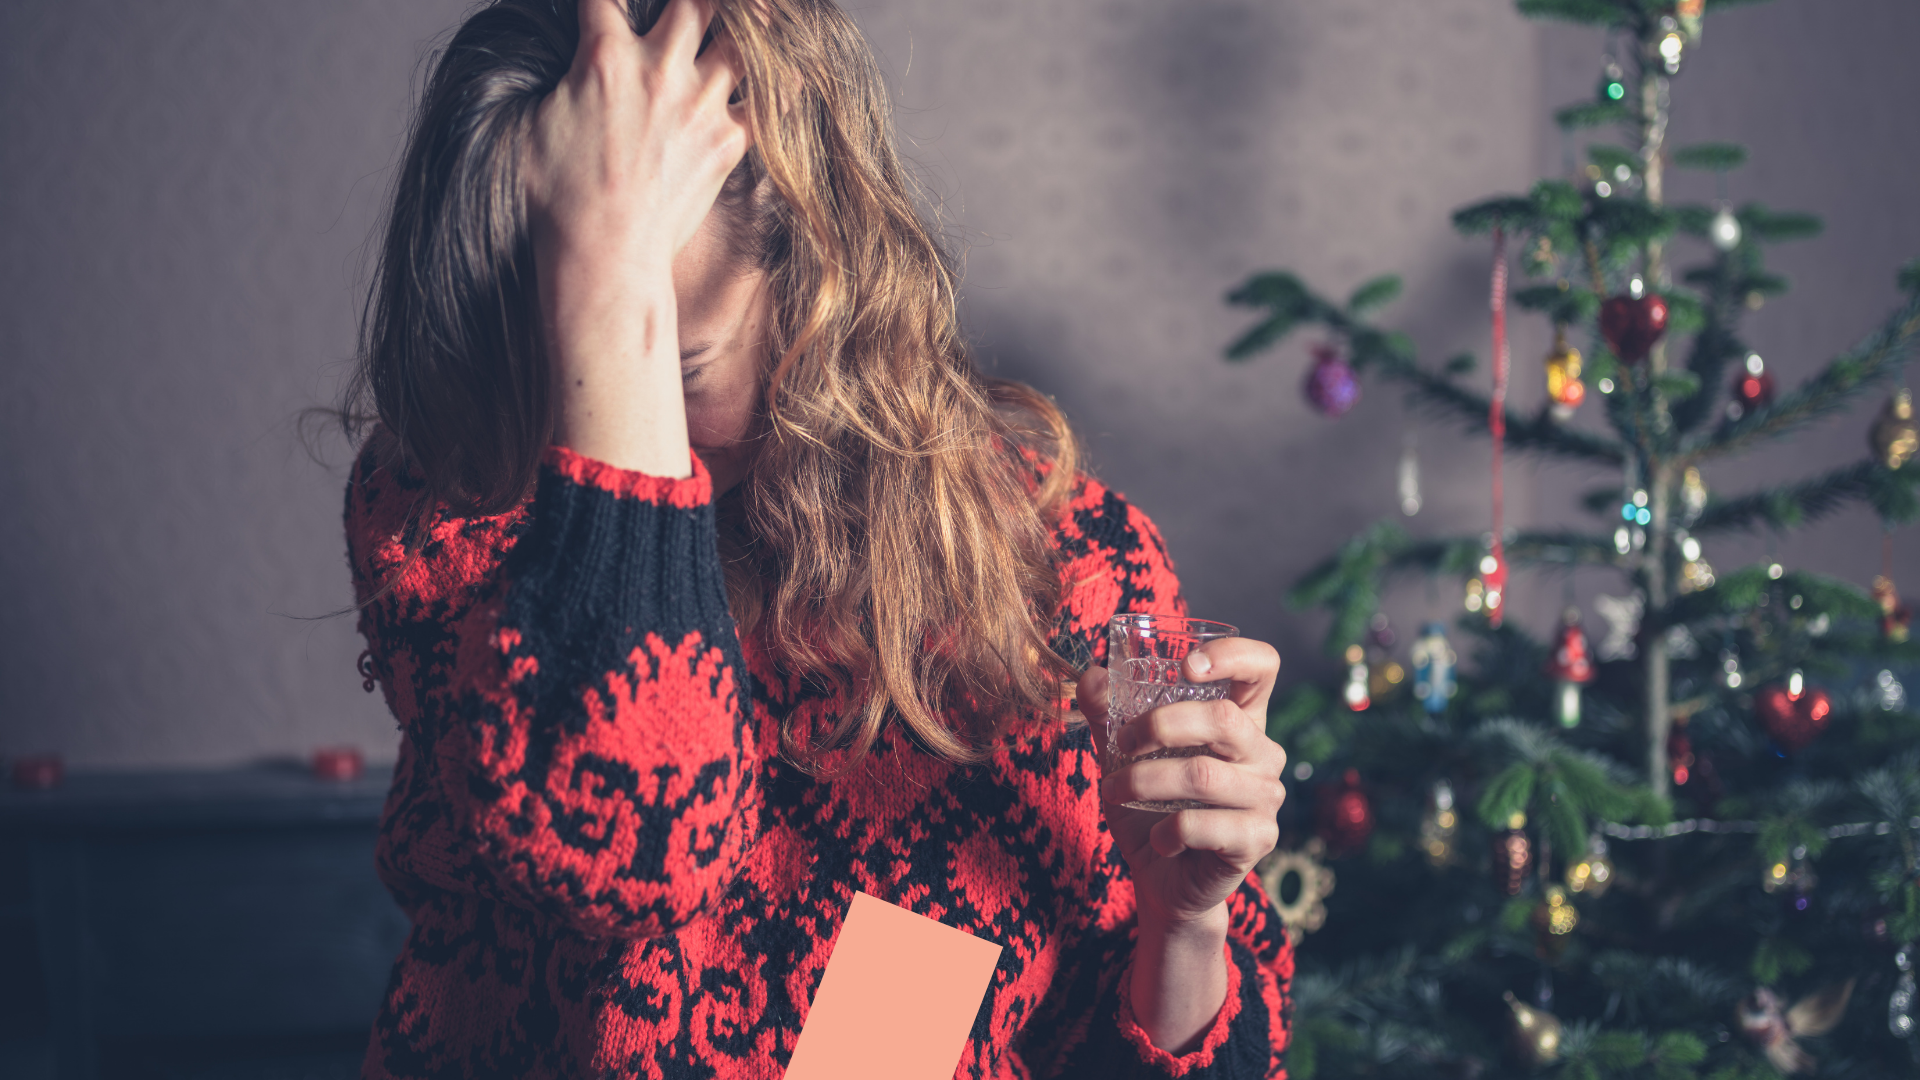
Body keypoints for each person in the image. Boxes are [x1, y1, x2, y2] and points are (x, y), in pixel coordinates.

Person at [340, 0, 1293, 1075]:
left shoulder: (1054, 559)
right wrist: (607, 284)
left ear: (819, 274)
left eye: (668, 367)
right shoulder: (453, 495)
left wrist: (1185, 920)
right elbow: (637, 856)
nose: (583, 415)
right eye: (568, 356)